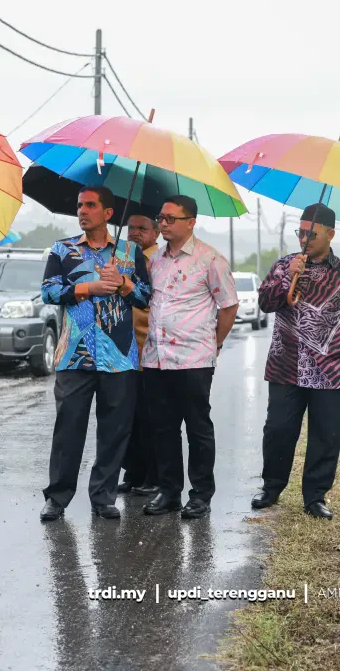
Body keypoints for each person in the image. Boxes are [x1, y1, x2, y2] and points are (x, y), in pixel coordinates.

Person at [252, 203, 340, 520]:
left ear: (330, 234)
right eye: (300, 232)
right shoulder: (284, 265)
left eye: (312, 233)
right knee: (278, 430)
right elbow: (265, 303)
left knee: (327, 434)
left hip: (330, 372)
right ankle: (271, 488)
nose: (304, 239)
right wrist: (286, 279)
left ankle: (315, 497)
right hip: (284, 366)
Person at [38, 186, 151, 522]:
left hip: (120, 357)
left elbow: (145, 298)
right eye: (79, 206)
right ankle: (57, 498)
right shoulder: (63, 249)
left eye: (90, 205)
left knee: (114, 430)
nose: (82, 211)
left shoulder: (131, 252)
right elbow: (48, 292)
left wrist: (124, 284)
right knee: (68, 428)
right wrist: (89, 287)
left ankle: (103, 497)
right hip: (74, 356)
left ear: (108, 213)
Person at [141, 196, 238, 519]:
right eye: (161, 218)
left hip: (194, 358)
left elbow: (228, 305)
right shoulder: (155, 260)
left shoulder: (210, 260)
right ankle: (168, 492)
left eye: (170, 218)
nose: (163, 223)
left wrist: (215, 343)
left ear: (191, 222)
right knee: (163, 428)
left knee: (197, 428)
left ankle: (200, 495)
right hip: (156, 358)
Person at [118, 213, 161, 496]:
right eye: (131, 227)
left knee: (151, 419)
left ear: (156, 232)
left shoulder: (159, 260)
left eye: (142, 228)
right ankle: (133, 472)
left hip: (150, 353)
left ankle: (153, 475)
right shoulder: (120, 256)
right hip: (122, 353)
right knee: (126, 418)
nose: (135, 233)